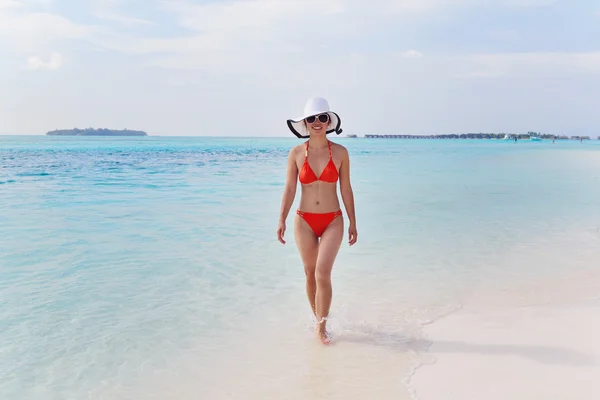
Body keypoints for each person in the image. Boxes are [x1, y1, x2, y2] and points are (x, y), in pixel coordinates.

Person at [277, 97, 358, 344]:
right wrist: (281, 219)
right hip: (304, 220)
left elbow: (346, 189)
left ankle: (321, 328)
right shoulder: (296, 154)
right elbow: (290, 189)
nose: (317, 123)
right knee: (310, 273)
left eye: (322, 118)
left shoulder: (341, 152)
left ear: (329, 121)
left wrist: (353, 222)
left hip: (333, 219)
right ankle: (317, 318)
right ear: (305, 123)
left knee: (323, 272)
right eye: (311, 118)